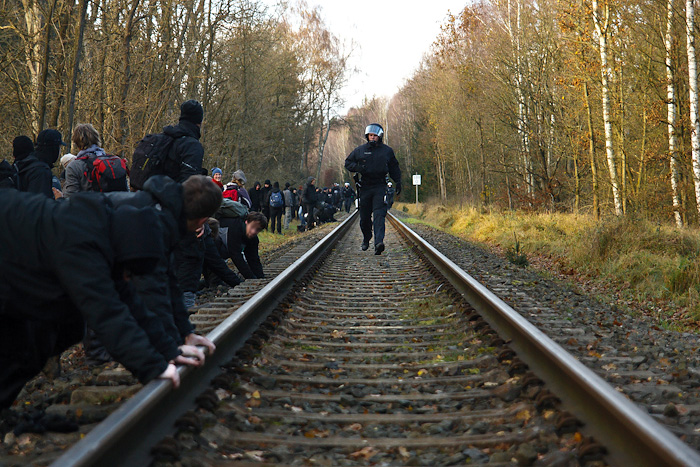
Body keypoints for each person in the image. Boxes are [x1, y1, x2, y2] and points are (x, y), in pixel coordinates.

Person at [0, 190, 210, 408]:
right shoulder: (81, 241)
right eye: (129, 272)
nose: (128, 278)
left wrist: (169, 350)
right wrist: (152, 366)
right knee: (27, 345)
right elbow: (107, 313)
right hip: (10, 260)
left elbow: (130, 303)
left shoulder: (107, 235)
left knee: (59, 333)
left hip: (18, 267)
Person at [105, 175, 221, 355]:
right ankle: (98, 357)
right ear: (202, 221)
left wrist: (185, 333)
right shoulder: (154, 222)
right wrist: (171, 347)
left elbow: (168, 280)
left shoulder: (167, 211)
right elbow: (151, 287)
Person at [345, 123, 401, 255]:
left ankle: (378, 242)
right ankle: (366, 237)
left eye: (375, 136)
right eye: (370, 135)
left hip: (380, 187)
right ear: (367, 136)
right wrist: (358, 168)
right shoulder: (360, 150)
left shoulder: (387, 151)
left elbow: (394, 167)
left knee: (379, 215)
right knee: (364, 218)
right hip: (364, 187)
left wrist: (398, 181)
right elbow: (348, 163)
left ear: (379, 136)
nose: (372, 138)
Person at [64, 123, 126, 196]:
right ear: (97, 139)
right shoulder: (114, 162)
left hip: (90, 206)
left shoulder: (74, 166)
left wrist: (59, 199)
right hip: (114, 205)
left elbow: (70, 198)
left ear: (76, 143)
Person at [218, 211, 267, 279]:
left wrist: (260, 277)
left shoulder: (253, 239)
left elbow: (253, 258)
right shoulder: (235, 228)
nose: (253, 232)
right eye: (252, 227)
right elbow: (236, 256)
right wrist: (251, 277)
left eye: (258, 230)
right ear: (246, 222)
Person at [16, 130, 64, 199]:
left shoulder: (26, 163)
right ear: (54, 149)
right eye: (59, 147)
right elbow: (40, 206)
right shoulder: (41, 172)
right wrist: (59, 200)